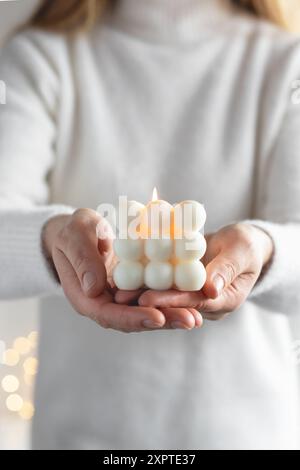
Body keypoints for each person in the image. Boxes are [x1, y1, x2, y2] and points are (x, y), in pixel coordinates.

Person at [0, 0, 300, 450]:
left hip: (251, 435)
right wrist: (52, 239)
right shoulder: (41, 55)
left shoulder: (285, 61)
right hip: (79, 435)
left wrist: (264, 249)